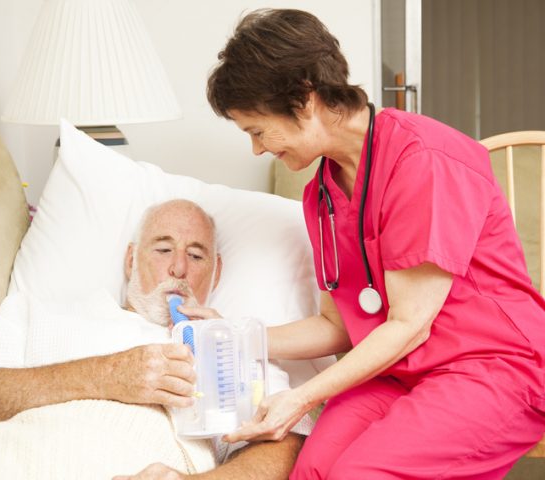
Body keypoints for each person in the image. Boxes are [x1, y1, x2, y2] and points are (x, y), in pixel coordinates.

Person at [206, 8, 545, 479]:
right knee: (313, 471)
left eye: (257, 130)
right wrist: (234, 338)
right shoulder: (320, 193)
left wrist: (302, 396)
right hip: (398, 372)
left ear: (304, 99)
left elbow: (407, 324)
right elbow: (339, 325)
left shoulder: (424, 160)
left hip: (492, 367)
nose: (258, 149)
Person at [0, 199, 308, 479]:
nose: (177, 268)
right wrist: (107, 375)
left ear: (217, 273)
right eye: (162, 249)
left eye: (196, 256)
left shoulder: (232, 347)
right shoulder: (39, 311)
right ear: (130, 259)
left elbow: (285, 448)